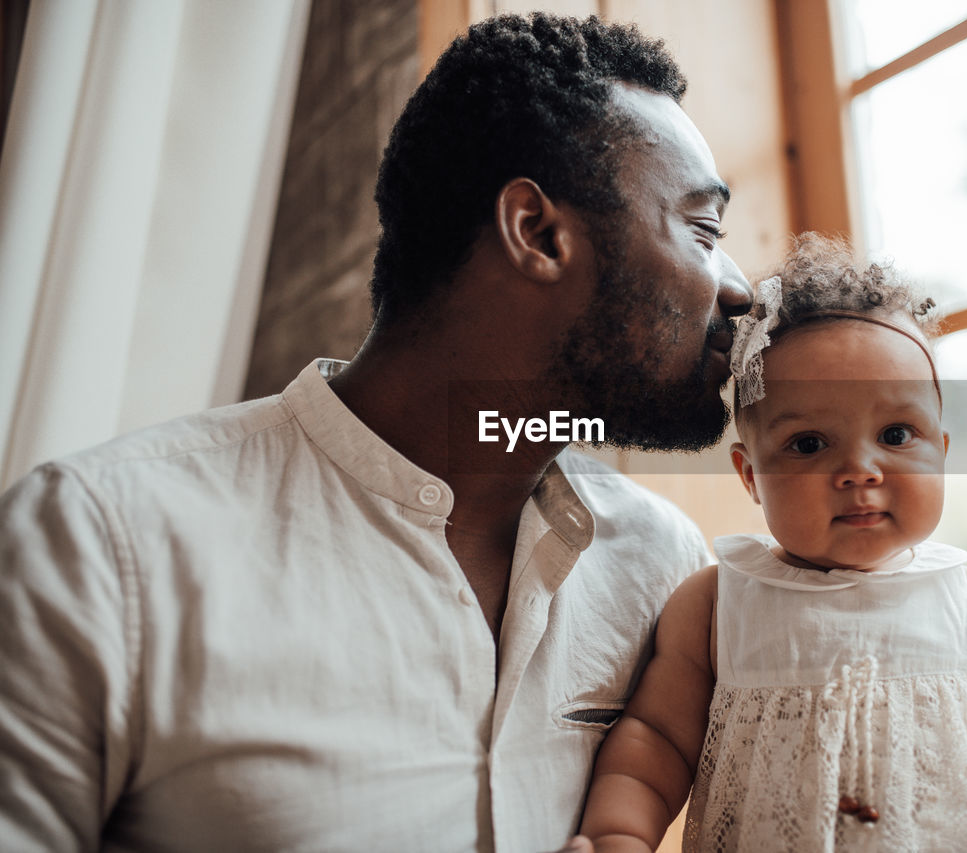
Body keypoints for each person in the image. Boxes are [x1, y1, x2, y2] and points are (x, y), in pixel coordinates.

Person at [0, 13, 752, 852]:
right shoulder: (99, 544)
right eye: (704, 232)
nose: (740, 290)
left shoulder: (664, 569)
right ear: (537, 233)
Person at [575, 234, 967, 852]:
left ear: (940, 453)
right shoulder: (716, 605)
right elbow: (656, 740)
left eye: (895, 434)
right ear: (752, 476)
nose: (860, 470)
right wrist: (616, 835)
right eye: (809, 444)